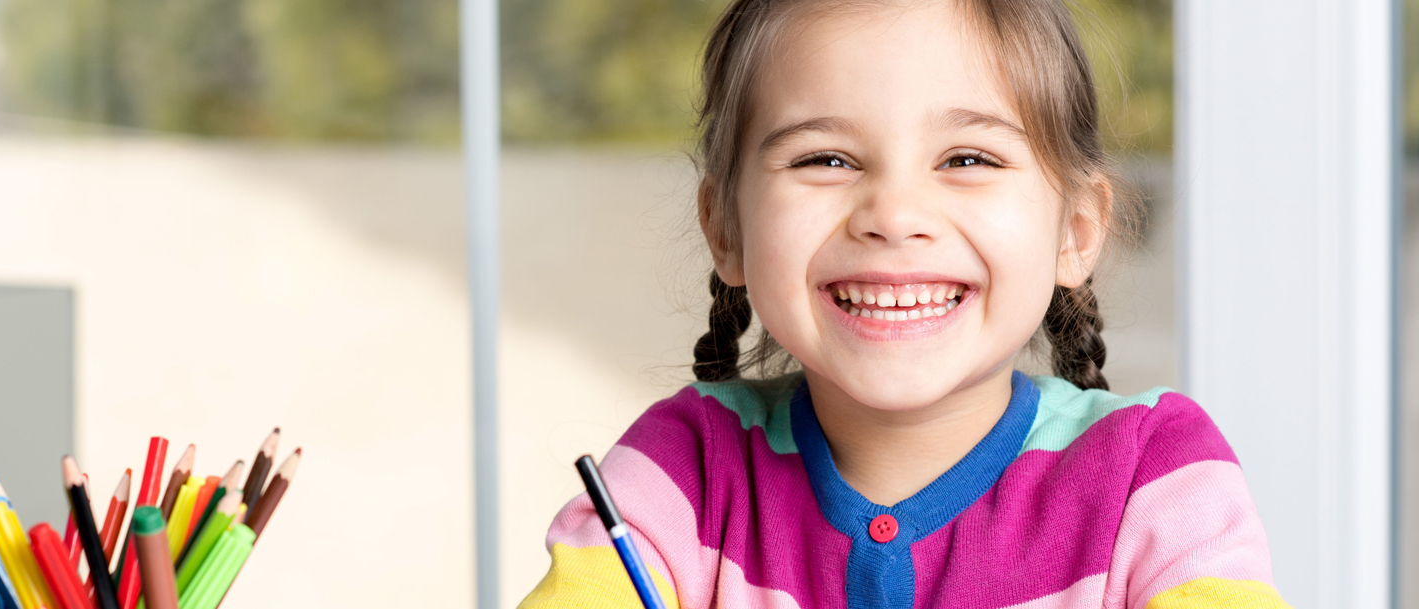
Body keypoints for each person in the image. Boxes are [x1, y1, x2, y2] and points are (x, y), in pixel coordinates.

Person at [519, 0, 1287, 607]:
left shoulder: (1155, 477)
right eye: (825, 158)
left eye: (967, 158)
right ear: (727, 227)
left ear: (1075, 231)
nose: (892, 212)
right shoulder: (681, 470)